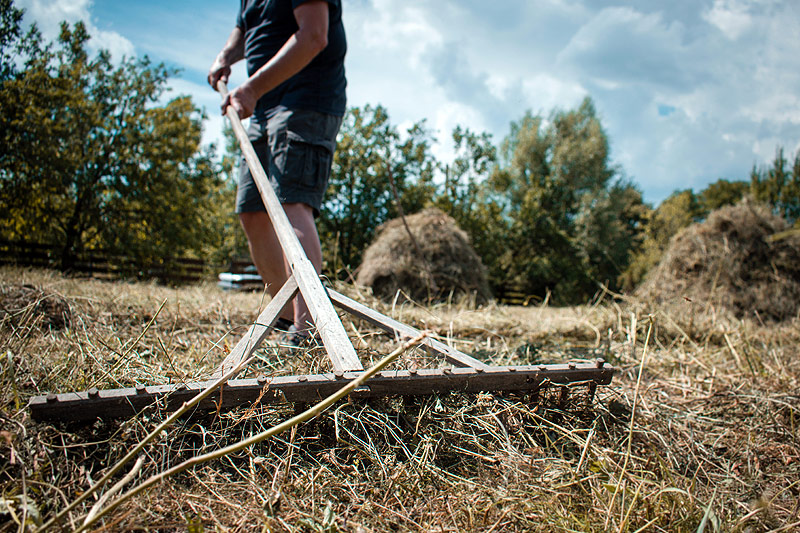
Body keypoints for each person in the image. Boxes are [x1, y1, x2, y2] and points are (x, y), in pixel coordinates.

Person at [208, 0, 346, 343]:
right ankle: (287, 321)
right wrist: (227, 56)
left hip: (306, 101)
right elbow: (247, 24)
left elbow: (314, 35)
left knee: (291, 203)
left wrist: (251, 88)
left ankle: (309, 330)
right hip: (264, 105)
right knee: (253, 211)